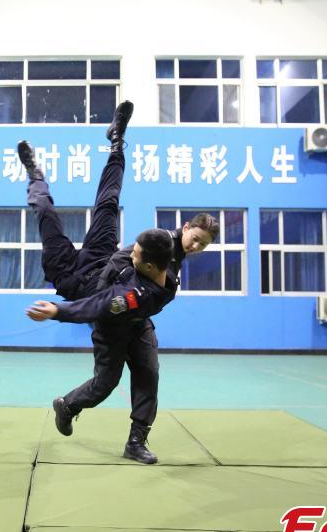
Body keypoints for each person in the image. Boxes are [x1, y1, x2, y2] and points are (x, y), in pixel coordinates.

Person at [23, 101, 219, 464]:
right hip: (83, 274)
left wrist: (58, 310)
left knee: (143, 374)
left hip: (110, 304)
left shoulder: (159, 282)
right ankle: (95, 151)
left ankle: (126, 436)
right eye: (195, 237)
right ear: (186, 226)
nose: (196, 245)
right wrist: (60, 309)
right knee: (92, 206)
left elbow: (106, 303)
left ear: (147, 265)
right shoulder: (156, 242)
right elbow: (103, 295)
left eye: (203, 245)